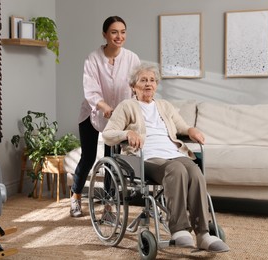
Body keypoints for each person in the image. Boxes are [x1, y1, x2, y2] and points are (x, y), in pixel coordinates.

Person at [102, 62, 230, 253]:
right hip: (146, 158)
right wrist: (127, 133)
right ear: (133, 86)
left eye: (152, 80)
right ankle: (179, 230)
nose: (148, 84)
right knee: (176, 170)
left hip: (173, 153)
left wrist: (191, 130)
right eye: (143, 80)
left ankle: (203, 234)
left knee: (195, 172)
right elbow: (108, 134)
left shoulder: (164, 105)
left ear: (156, 85)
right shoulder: (127, 106)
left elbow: (181, 127)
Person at [70, 16, 140, 217]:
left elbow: (135, 86)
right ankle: (75, 196)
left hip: (118, 118)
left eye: (123, 32)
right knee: (89, 156)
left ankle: (109, 205)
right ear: (105, 34)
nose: (119, 36)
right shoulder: (93, 58)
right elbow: (90, 90)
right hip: (92, 112)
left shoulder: (132, 58)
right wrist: (104, 107)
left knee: (112, 160)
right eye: (114, 32)